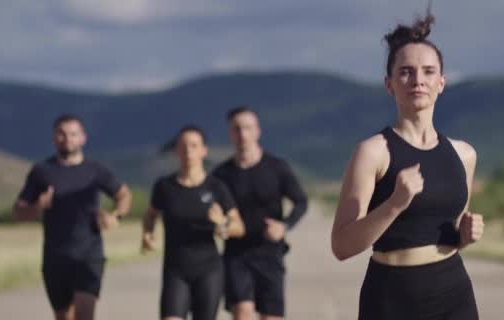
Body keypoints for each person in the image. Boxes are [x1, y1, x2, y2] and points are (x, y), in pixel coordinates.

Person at [330, 9, 484, 320]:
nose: (418, 80)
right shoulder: (373, 152)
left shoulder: (464, 154)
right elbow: (342, 246)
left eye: (428, 72)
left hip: (452, 293)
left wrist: (465, 236)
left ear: (441, 82)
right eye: (406, 72)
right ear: (389, 84)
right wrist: (394, 204)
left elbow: (447, 233)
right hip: (391, 297)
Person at [13, 114, 132, 320]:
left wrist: (116, 216)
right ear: (54, 138)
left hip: (89, 255)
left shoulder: (95, 170)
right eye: (62, 133)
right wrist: (37, 208)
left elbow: (123, 195)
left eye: (73, 134)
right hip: (55, 257)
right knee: (63, 317)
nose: (67, 138)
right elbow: (18, 211)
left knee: (84, 315)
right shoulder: (41, 171)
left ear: (83, 138)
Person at [212, 106, 308, 320]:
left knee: (270, 316)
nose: (242, 134)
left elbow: (301, 202)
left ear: (257, 131)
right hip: (236, 254)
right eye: (236, 129)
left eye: (247, 128)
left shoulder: (277, 167)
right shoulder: (221, 174)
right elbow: (213, 210)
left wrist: (285, 226)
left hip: (270, 253)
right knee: (242, 312)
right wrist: (219, 224)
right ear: (230, 133)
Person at [141, 125, 245, 320]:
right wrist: (147, 233)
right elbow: (150, 215)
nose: (188, 150)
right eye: (183, 146)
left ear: (203, 150)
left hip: (208, 271)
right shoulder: (164, 187)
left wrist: (222, 224)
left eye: (194, 145)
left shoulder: (216, 187)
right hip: (175, 270)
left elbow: (239, 227)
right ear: (175, 151)